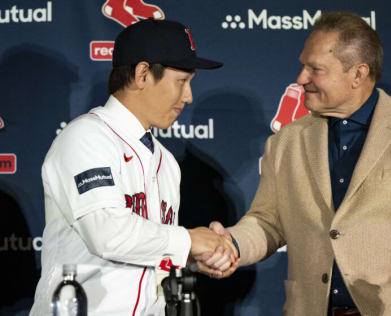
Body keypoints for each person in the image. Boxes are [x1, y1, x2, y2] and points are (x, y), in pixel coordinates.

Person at [207, 11, 391, 316]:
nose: (301, 79)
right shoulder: (285, 142)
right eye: (302, 66)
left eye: (316, 69)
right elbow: (267, 222)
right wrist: (232, 243)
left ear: (358, 75)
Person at [30, 19, 238, 316]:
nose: (189, 96)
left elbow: (150, 250)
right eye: (182, 81)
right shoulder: (86, 137)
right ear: (142, 74)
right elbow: (107, 234)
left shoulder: (165, 161)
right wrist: (189, 240)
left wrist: (191, 258)